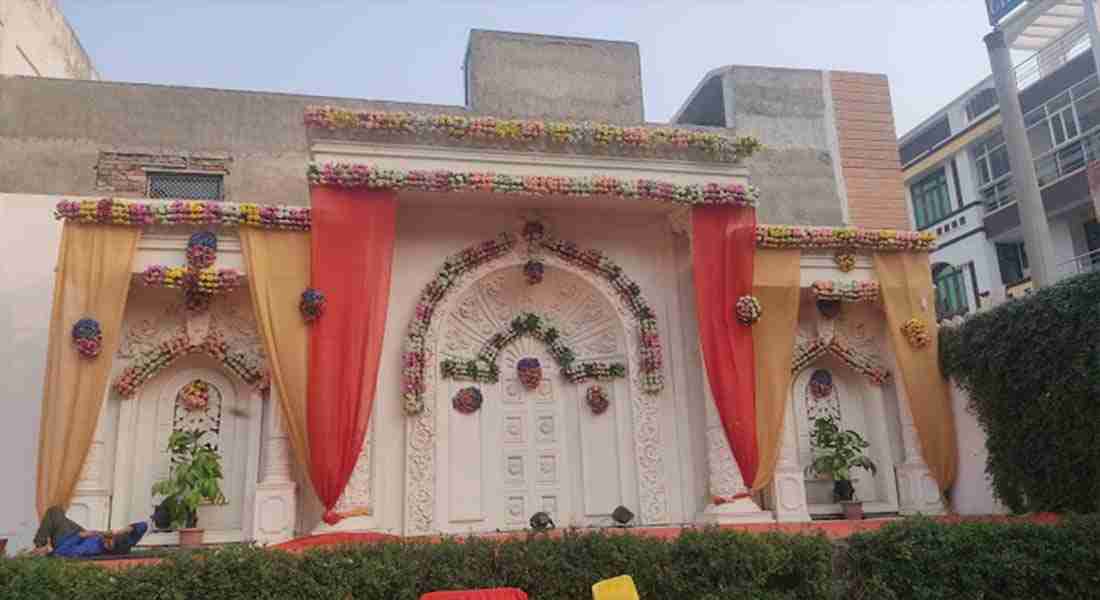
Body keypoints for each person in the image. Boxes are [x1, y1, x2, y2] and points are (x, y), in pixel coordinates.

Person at [28, 506, 148, 558]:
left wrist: (80, 536)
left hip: (68, 540)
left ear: (111, 548)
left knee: (54, 512)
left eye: (109, 543)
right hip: (84, 535)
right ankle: (41, 543)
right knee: (58, 514)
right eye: (110, 537)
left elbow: (61, 552)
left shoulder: (91, 548)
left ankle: (40, 545)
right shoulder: (127, 542)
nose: (106, 539)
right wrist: (121, 531)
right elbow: (143, 525)